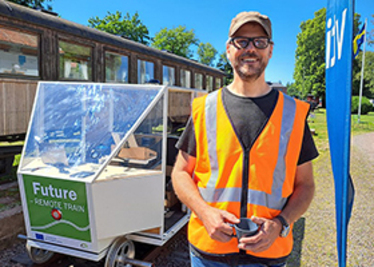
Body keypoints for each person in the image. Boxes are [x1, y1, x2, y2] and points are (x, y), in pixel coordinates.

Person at [171, 11, 318, 267]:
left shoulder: (294, 114)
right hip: (209, 251)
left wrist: (280, 224)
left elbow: (306, 185)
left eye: (259, 41)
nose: (251, 49)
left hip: (268, 254)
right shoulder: (204, 108)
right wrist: (205, 213)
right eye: (242, 41)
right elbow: (180, 173)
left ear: (270, 51)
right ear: (229, 49)